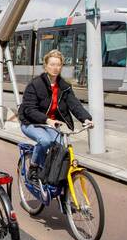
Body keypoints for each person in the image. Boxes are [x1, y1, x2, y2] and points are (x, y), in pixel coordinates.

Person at [19, 49, 93, 183]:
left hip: (50, 124)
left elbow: (74, 104)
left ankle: (51, 175)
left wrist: (86, 118)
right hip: (31, 122)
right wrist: (47, 120)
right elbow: (29, 109)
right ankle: (34, 168)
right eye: (52, 64)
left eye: (58, 65)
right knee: (45, 141)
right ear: (46, 66)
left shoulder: (64, 87)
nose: (55, 68)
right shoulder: (35, 84)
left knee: (60, 147)